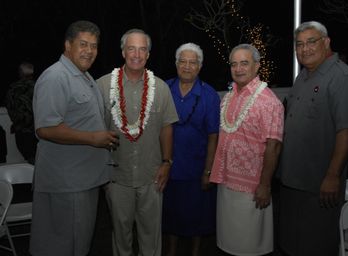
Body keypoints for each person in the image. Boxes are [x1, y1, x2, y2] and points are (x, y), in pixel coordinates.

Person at [30, 20, 118, 256]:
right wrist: (93, 138)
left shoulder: (84, 76)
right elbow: (46, 129)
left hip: (83, 180)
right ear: (68, 45)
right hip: (67, 183)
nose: (89, 50)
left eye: (94, 45)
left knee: (77, 244)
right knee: (64, 246)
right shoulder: (55, 77)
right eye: (83, 44)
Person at [277, 21, 348, 256]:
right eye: (299, 44)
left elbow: (347, 130)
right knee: (292, 243)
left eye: (311, 42)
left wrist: (333, 175)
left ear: (326, 42)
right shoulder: (303, 76)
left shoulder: (341, 78)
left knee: (315, 245)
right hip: (292, 181)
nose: (304, 49)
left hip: (319, 186)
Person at [97, 28, 178, 256]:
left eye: (142, 49)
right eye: (131, 48)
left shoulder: (160, 88)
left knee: (151, 235)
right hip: (116, 176)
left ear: (148, 55)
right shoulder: (102, 86)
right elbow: (94, 131)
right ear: (123, 52)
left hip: (151, 175)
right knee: (120, 234)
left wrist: (166, 163)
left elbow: (167, 128)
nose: (136, 54)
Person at [209, 44, 284, 256]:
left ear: (257, 66)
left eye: (244, 63)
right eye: (234, 64)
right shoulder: (229, 96)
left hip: (252, 188)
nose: (238, 68)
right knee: (227, 244)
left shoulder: (268, 101)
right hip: (226, 183)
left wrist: (265, 185)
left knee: (249, 246)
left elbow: (274, 146)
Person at [162, 43, 220, 256]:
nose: (187, 66)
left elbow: (214, 135)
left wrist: (208, 171)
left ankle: (195, 252)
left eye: (192, 62)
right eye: (182, 61)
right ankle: (171, 251)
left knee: (198, 217)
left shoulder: (209, 95)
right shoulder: (164, 89)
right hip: (169, 167)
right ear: (176, 64)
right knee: (170, 215)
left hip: (197, 169)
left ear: (200, 66)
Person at [5, 61, 38, 164]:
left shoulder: (14, 88)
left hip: (22, 130)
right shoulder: (39, 86)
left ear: (21, 73)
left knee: (29, 158)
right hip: (38, 130)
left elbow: (9, 106)